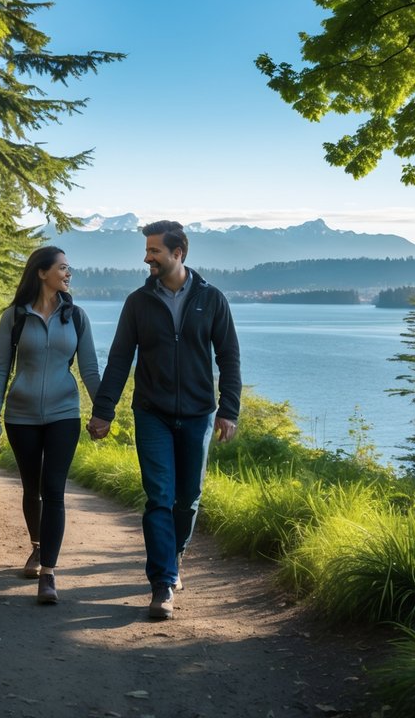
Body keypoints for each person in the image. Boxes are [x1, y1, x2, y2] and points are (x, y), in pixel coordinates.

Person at [87, 220, 241, 620]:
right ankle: (162, 584)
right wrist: (104, 411)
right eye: (147, 250)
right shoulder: (138, 302)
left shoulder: (212, 299)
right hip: (151, 412)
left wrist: (229, 409)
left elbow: (228, 357)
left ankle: (174, 557)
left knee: (187, 498)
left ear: (178, 254)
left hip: (198, 414)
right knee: (159, 496)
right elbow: (120, 358)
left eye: (154, 251)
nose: (147, 257)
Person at [0, 246, 101, 604]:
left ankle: (48, 573)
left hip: (64, 414)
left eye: (69, 268)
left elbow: (90, 371)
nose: (69, 274)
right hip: (20, 417)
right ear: (42, 272)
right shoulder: (15, 317)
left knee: (54, 489)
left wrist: (103, 412)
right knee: (31, 488)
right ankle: (37, 546)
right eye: (63, 268)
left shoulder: (77, 317)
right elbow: (0, 369)